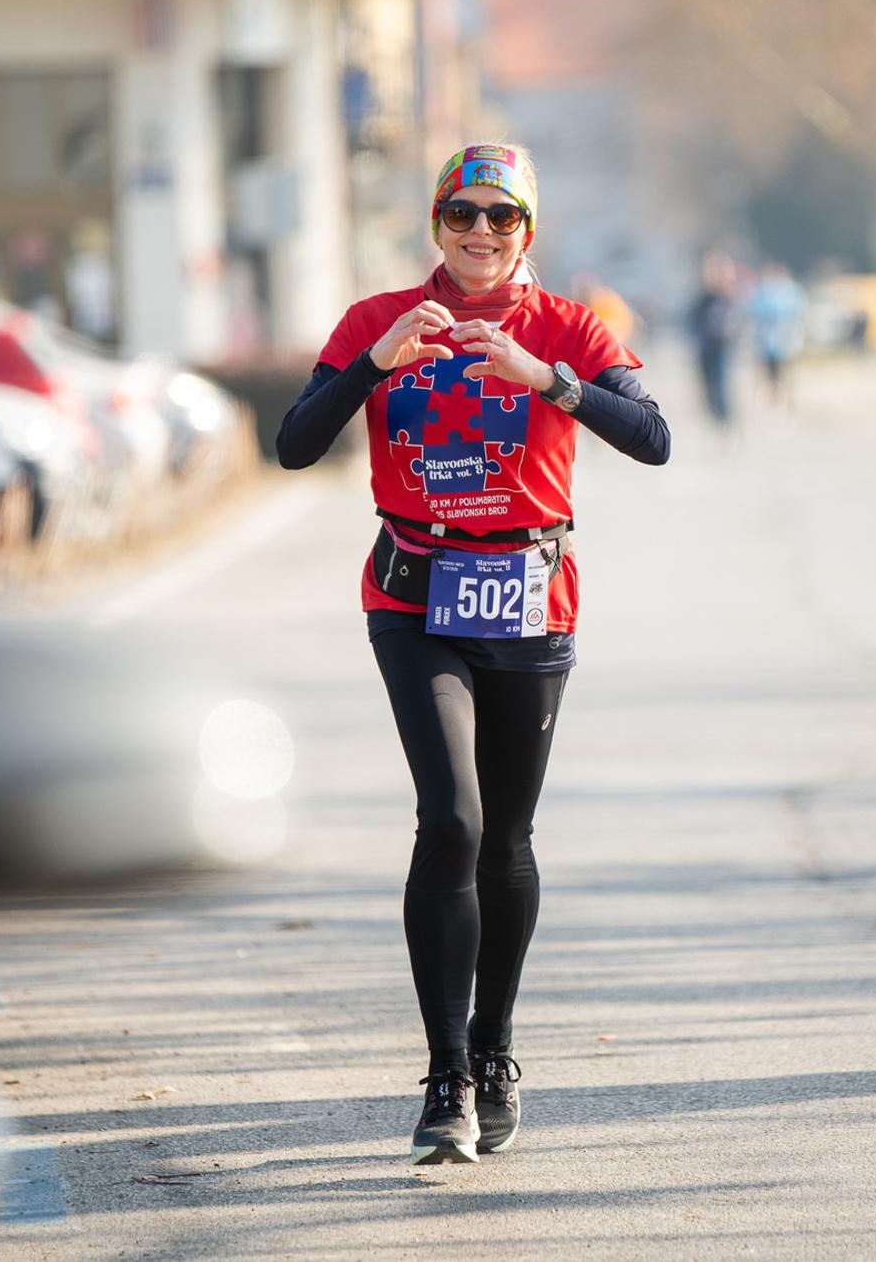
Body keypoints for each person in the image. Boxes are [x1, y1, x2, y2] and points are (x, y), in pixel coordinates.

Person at [275, 143, 671, 1164]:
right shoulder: (380, 320)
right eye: (462, 213)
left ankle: (494, 1050)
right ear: (436, 223)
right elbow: (294, 443)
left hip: (528, 597)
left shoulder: (569, 326)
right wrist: (375, 363)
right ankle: (446, 1073)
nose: (481, 232)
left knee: (506, 838)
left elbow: (653, 437)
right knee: (450, 818)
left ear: (527, 230)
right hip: (414, 596)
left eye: (502, 216)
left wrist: (549, 381)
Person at [746, 262, 807, 408]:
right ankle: (770, 398)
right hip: (768, 341)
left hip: (784, 341)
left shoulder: (790, 292)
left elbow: (797, 314)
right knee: (768, 372)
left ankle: (784, 398)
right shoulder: (764, 292)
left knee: (784, 373)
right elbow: (755, 313)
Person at [691, 249, 740, 431]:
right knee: (707, 381)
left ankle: (724, 418)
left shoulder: (728, 296)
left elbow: (734, 321)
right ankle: (714, 415)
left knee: (721, 380)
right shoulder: (704, 297)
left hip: (722, 342)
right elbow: (694, 317)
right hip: (706, 343)